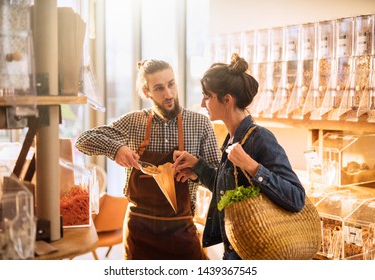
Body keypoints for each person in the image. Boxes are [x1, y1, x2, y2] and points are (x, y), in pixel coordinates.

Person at [75, 59, 220, 260]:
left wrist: (197, 169)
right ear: (146, 92)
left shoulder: (200, 123)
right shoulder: (133, 122)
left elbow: (219, 179)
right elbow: (82, 140)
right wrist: (116, 148)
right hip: (139, 232)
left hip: (182, 230)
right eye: (159, 88)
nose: (168, 94)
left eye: (171, 84)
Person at [173, 53, 306, 260]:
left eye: (207, 96)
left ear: (227, 100)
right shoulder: (232, 139)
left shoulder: (260, 138)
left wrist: (252, 167)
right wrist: (197, 167)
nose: (201, 103)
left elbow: (297, 198)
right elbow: (230, 188)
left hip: (256, 255)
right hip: (235, 251)